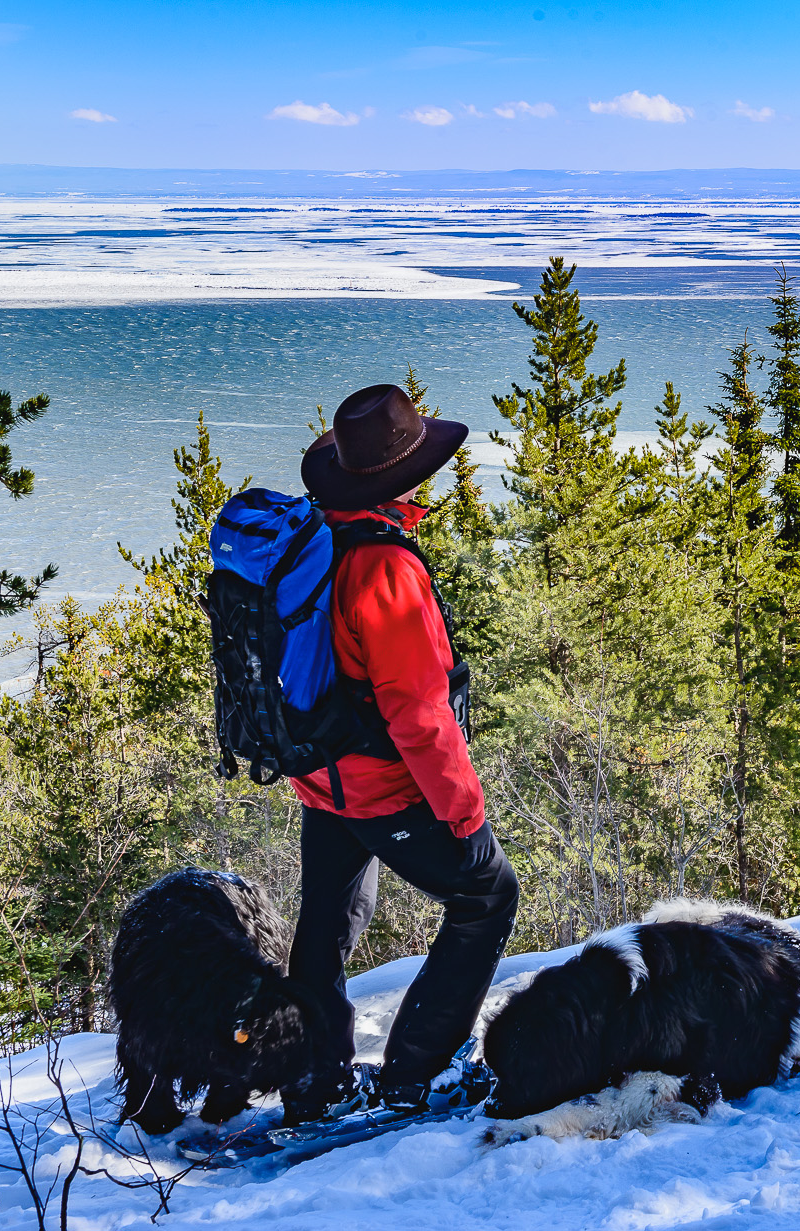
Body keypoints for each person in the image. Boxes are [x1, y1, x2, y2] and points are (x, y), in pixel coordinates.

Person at [279, 382, 519, 1121]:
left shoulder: (315, 537)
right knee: (486, 895)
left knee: (325, 921)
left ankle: (314, 1079)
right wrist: (466, 818)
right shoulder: (384, 568)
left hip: (322, 777)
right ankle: (415, 1074)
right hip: (380, 784)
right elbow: (419, 716)